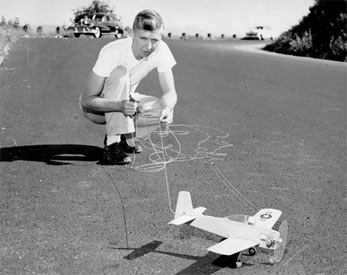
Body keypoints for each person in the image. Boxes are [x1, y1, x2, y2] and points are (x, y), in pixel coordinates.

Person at [80, 9, 177, 165]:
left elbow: (170, 92)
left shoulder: (162, 50)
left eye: (155, 40)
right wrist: (119, 105)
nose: (149, 46)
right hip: (98, 109)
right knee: (121, 73)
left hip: (125, 102)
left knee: (160, 108)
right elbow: (86, 101)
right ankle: (112, 144)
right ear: (132, 33)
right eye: (143, 38)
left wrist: (168, 108)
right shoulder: (113, 51)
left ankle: (126, 139)